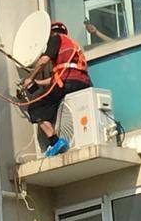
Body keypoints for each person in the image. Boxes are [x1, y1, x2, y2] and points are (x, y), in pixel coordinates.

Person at [22, 21, 93, 157]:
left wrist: (31, 77)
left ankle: (55, 142)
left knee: (35, 108)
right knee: (55, 102)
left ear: (51, 33)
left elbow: (44, 61)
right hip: (82, 83)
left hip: (67, 83)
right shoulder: (73, 45)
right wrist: (37, 82)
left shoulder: (56, 39)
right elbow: (60, 76)